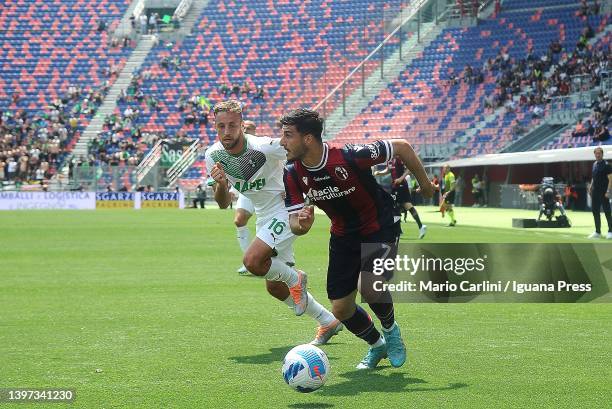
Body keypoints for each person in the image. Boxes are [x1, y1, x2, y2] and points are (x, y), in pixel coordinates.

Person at [280, 108, 434, 369]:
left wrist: (427, 185)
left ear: (307, 139)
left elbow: (402, 147)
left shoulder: (349, 156)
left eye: (287, 136)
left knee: (370, 284)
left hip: (381, 226)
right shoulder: (292, 173)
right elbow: (295, 224)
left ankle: (391, 331)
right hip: (342, 236)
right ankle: (377, 345)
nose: (282, 142)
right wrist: (301, 225)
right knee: (340, 309)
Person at [205, 100, 342, 345]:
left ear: (242, 125)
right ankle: (327, 320)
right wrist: (222, 185)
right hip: (265, 216)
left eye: (232, 125)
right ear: (214, 126)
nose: (227, 132)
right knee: (274, 288)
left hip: (286, 209)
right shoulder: (213, 155)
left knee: (252, 261)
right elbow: (223, 203)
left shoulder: (264, 147)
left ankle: (295, 278)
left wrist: (307, 186)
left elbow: (304, 152)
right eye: (221, 126)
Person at [374, 155, 427, 239]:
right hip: (396, 186)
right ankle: (417, 227)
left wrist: (401, 178)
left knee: (397, 207)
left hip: (401, 185)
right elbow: (388, 170)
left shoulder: (399, 158)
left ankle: (399, 231)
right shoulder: (390, 160)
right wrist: (379, 173)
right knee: (399, 207)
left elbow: (409, 168)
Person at [233, 119, 259, 275]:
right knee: (239, 220)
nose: (246, 130)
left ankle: (282, 258)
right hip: (247, 190)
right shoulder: (235, 148)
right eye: (244, 127)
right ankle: (248, 261)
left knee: (266, 225)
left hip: (265, 190)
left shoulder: (260, 146)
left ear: (255, 131)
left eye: (249, 128)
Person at [587, 147, 612, 239]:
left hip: (604, 192)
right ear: (594, 154)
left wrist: (608, 191)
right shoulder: (594, 164)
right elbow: (594, 177)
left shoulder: (607, 165)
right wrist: (590, 187)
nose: (598, 155)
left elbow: (611, 179)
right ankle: (597, 232)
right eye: (596, 153)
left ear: (602, 154)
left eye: (599, 153)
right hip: (595, 192)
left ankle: (610, 231)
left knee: (607, 212)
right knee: (595, 211)